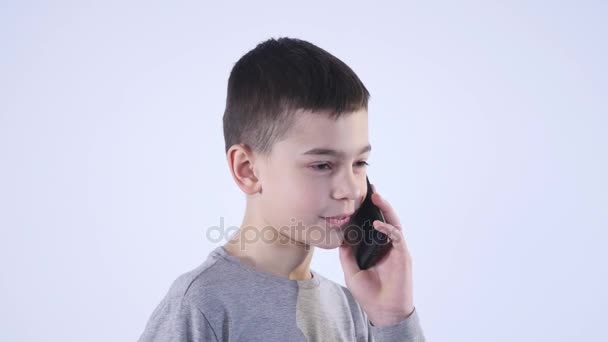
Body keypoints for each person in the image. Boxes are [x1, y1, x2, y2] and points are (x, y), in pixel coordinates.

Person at [137, 37, 426, 342]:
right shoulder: (202, 306)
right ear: (247, 170)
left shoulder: (352, 308)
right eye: (322, 165)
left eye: (359, 163)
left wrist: (393, 319)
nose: (350, 190)